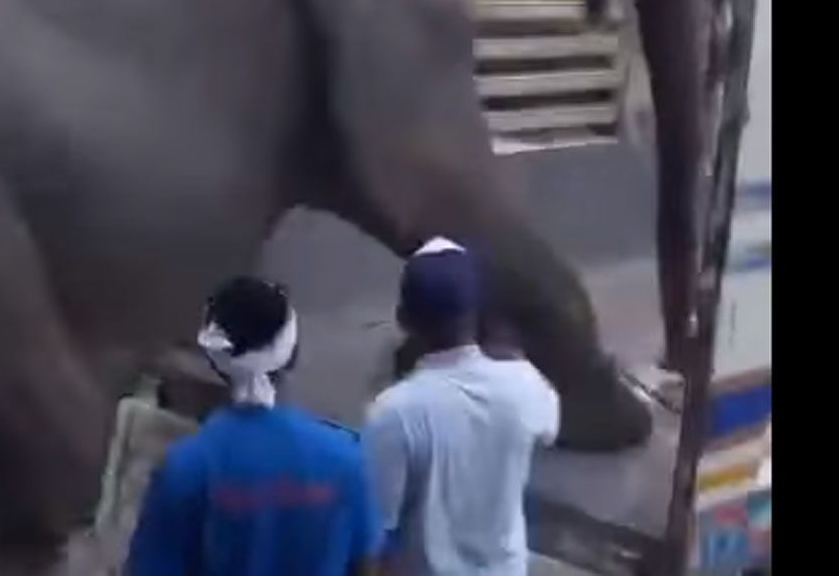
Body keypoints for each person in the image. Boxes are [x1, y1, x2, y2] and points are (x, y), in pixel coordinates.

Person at [127, 275, 383, 576]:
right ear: (292, 355)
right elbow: (368, 566)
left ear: (214, 360)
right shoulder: (346, 459)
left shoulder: (185, 467)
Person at [364, 238, 560, 576]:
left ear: (403, 318)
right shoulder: (527, 386)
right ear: (477, 313)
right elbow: (548, 430)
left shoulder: (392, 413)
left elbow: (375, 529)